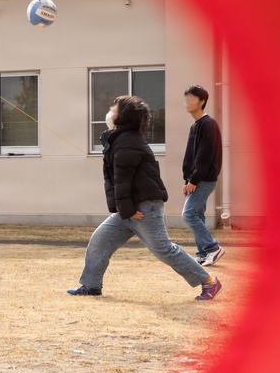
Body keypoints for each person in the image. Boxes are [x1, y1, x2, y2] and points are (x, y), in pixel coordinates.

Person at [68, 95, 222, 301]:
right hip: (130, 207)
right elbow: (118, 180)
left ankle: (209, 282)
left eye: (114, 108)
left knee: (164, 249)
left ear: (123, 116)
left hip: (143, 208)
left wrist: (128, 209)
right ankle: (91, 285)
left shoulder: (127, 142)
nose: (110, 111)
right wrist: (125, 209)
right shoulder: (121, 139)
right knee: (99, 241)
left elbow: (122, 180)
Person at [181, 84, 224, 265]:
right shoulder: (196, 125)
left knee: (188, 214)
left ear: (202, 101)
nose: (187, 102)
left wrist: (194, 179)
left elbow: (204, 157)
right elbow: (191, 157)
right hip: (197, 179)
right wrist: (187, 180)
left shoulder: (208, 124)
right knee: (197, 215)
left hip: (204, 179)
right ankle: (203, 254)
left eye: (191, 98)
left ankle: (213, 248)